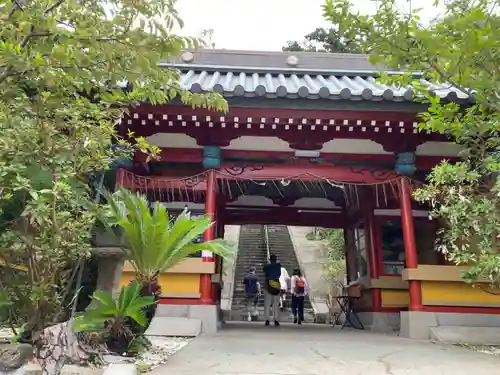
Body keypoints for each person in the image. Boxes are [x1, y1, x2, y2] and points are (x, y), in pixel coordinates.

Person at [263, 254, 282, 326]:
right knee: (275, 304)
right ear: (276, 259)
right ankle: (276, 319)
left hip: (267, 285)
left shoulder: (267, 266)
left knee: (267, 304)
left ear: (270, 260)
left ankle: (267, 319)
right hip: (276, 285)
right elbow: (279, 275)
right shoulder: (278, 266)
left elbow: (264, 271)